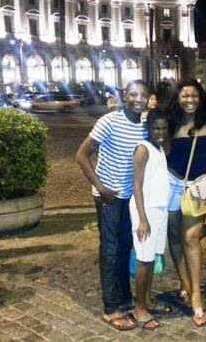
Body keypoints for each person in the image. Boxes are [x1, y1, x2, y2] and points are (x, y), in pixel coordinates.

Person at [75, 80, 150, 330]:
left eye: (143, 95)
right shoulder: (109, 121)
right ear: (125, 96)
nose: (138, 99)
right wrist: (100, 187)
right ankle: (111, 308)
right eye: (133, 94)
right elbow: (81, 155)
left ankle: (124, 298)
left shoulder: (145, 125)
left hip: (130, 196)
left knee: (125, 247)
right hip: (109, 196)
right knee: (110, 248)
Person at [165, 78, 206, 327]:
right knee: (174, 235)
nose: (190, 100)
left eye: (194, 95)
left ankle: (196, 296)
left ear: (200, 98)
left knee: (191, 237)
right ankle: (185, 282)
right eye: (185, 96)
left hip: (199, 186)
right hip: (171, 183)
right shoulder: (169, 122)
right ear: (178, 98)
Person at [127, 108, 170, 331]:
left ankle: (148, 300)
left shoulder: (159, 148)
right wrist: (143, 219)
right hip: (146, 211)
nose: (160, 132)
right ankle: (139, 309)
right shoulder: (143, 149)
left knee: (152, 258)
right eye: (156, 128)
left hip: (159, 209)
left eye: (164, 128)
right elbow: (136, 185)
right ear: (148, 128)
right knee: (143, 260)